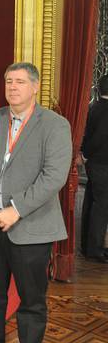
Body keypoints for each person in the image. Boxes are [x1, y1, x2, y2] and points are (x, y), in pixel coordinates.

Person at [0, 63, 72, 343]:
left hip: (31, 228)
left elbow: (54, 177)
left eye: (20, 82)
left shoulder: (55, 125)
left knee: (31, 301)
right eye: (8, 81)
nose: (12, 87)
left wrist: (16, 210)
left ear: (35, 87)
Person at [80, 74, 108, 263]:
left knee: (91, 202)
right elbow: (100, 137)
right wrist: (86, 154)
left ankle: (88, 245)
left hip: (94, 163)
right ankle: (95, 249)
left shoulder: (94, 106)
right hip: (102, 163)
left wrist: (85, 154)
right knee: (102, 206)